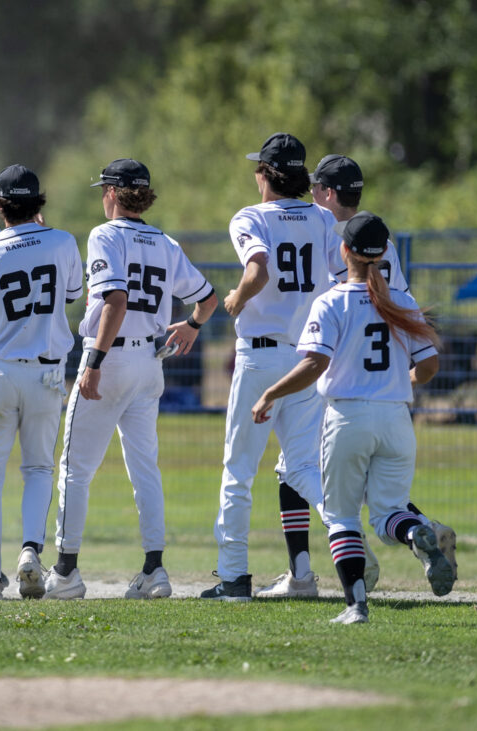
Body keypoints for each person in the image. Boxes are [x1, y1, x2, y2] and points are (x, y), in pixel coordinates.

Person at [258, 154, 456, 597]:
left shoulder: (334, 237)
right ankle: (418, 528)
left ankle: (319, 570)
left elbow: (318, 306)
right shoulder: (380, 239)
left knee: (293, 468)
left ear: (328, 193)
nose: (310, 194)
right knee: (375, 490)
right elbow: (404, 313)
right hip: (389, 393)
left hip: (332, 369)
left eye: (315, 187)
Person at [45, 159, 218, 600]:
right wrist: (192, 326)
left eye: (104, 189)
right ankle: (154, 570)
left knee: (74, 468)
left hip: (112, 357)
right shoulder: (164, 240)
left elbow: (115, 301)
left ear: (112, 193)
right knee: (145, 469)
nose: (102, 195)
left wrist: (94, 362)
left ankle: (65, 572)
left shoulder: (105, 234)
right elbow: (207, 298)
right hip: (149, 362)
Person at [202, 133, 339, 602]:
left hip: (261, 357)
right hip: (308, 359)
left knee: (239, 470)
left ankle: (234, 577)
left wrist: (238, 297)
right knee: (303, 467)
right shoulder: (323, 218)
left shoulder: (250, 216)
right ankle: (348, 535)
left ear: (264, 174)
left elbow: (258, 268)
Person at [0, 164, 83, 601]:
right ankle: (30, 551)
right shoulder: (63, 241)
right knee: (39, 468)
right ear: (38, 202)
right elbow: (72, 295)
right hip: (46, 373)